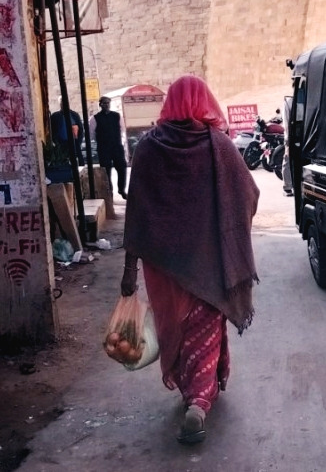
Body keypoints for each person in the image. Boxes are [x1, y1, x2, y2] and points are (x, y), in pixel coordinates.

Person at [121, 75, 260, 445]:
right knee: (205, 332)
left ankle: (193, 393)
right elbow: (250, 194)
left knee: (178, 331)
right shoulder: (219, 145)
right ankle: (198, 403)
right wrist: (226, 229)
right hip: (210, 265)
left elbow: (136, 213)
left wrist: (130, 271)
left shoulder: (148, 147)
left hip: (166, 268)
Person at [92, 96, 127, 199]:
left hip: (117, 146)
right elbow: (92, 134)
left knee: (122, 168)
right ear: (100, 105)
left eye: (108, 103)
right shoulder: (95, 118)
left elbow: (122, 130)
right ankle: (109, 191)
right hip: (104, 148)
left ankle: (121, 189)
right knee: (106, 171)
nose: (106, 105)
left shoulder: (117, 116)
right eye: (104, 103)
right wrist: (101, 140)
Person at [50, 96, 84, 166]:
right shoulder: (55, 116)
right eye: (62, 102)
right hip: (61, 145)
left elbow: (80, 130)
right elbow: (51, 131)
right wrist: (56, 143)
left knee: (77, 164)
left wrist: (78, 142)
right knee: (63, 165)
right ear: (60, 104)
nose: (64, 103)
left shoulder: (74, 115)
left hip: (74, 144)